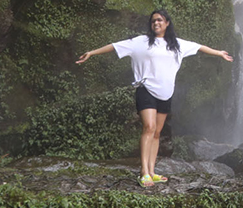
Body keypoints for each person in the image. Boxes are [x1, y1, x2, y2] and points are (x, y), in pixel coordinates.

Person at [77, 10, 233, 187]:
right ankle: (144, 172)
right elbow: (114, 46)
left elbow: (199, 47)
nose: (156, 23)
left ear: (167, 22)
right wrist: (92, 53)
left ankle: (152, 171)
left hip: (166, 92)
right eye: (153, 21)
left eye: (159, 20)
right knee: (149, 127)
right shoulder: (140, 42)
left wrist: (219, 53)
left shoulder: (177, 45)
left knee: (157, 132)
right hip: (146, 89)